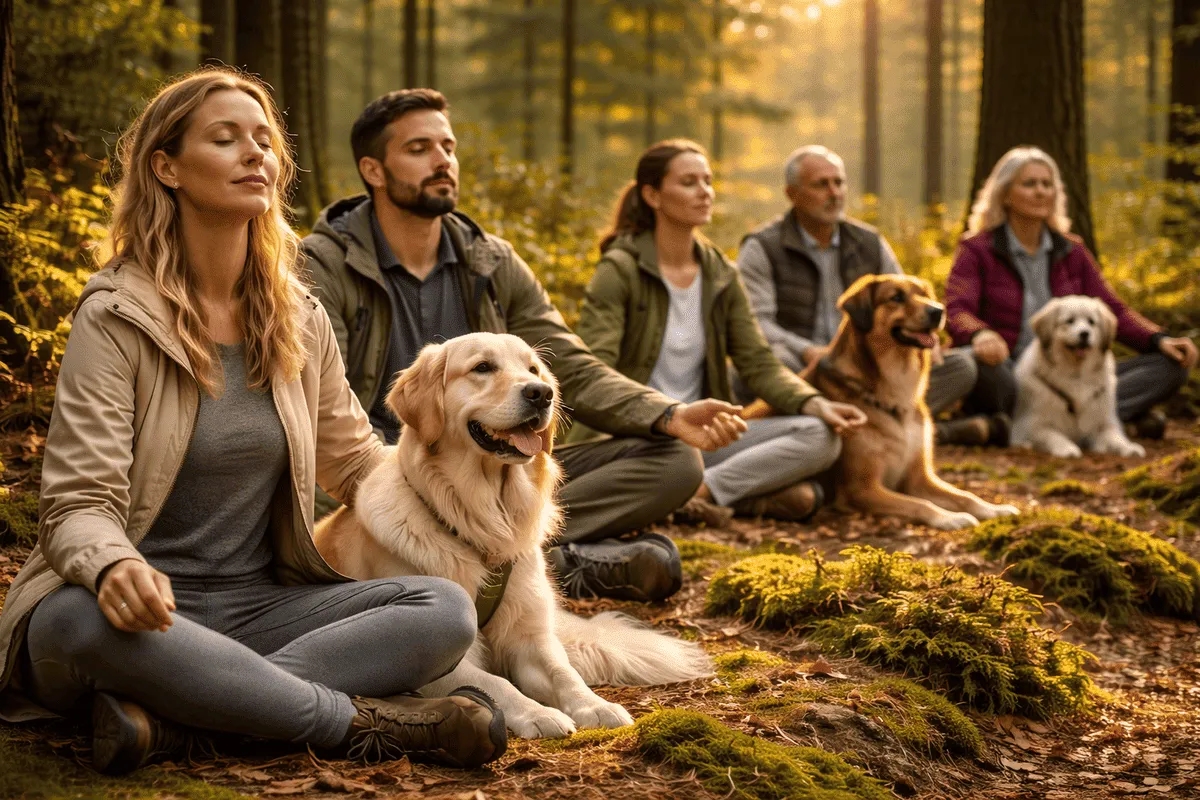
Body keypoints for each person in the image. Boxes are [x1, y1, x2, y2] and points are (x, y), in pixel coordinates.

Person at [0, 68, 509, 776]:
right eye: (226, 138)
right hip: (135, 612)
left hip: (262, 604)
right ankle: (370, 726)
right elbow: (77, 503)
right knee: (70, 622)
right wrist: (112, 562)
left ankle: (186, 716)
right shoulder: (115, 315)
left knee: (442, 609)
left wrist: (467, 506)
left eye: (265, 141)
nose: (255, 154)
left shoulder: (296, 316)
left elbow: (357, 463)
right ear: (166, 167)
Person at [303, 90, 746, 604]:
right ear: (374, 171)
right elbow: (323, 406)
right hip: (381, 484)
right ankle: (556, 565)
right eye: (419, 148)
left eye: (448, 146)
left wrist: (668, 413)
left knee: (675, 460)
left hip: (495, 466)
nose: (443, 160)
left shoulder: (490, 260)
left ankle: (520, 558)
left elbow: (569, 363)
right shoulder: (324, 265)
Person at [566, 139, 867, 526]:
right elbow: (595, 370)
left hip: (702, 436)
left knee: (820, 435)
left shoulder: (721, 274)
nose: (704, 192)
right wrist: (655, 416)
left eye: (707, 181)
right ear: (652, 195)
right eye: (689, 182)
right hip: (637, 438)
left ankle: (699, 493)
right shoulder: (620, 269)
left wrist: (814, 403)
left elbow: (758, 362)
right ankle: (730, 495)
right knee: (802, 498)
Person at [737, 146, 997, 445]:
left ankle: (884, 432)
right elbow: (757, 325)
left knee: (959, 367)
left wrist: (925, 334)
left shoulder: (870, 242)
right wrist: (809, 351)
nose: (834, 192)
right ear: (792, 194)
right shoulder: (762, 247)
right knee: (780, 364)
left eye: (839, 182)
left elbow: (908, 298)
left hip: (869, 367)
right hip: (803, 366)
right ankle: (919, 433)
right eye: (821, 184)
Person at [945, 145, 1197, 438]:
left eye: (1047, 184)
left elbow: (1112, 310)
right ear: (1005, 194)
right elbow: (957, 309)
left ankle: (1018, 427)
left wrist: (1157, 338)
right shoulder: (976, 249)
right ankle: (1111, 423)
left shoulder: (1072, 250)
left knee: (1170, 366)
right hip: (1011, 371)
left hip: (1071, 374)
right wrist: (980, 334)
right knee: (982, 368)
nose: (1040, 191)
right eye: (1029, 184)